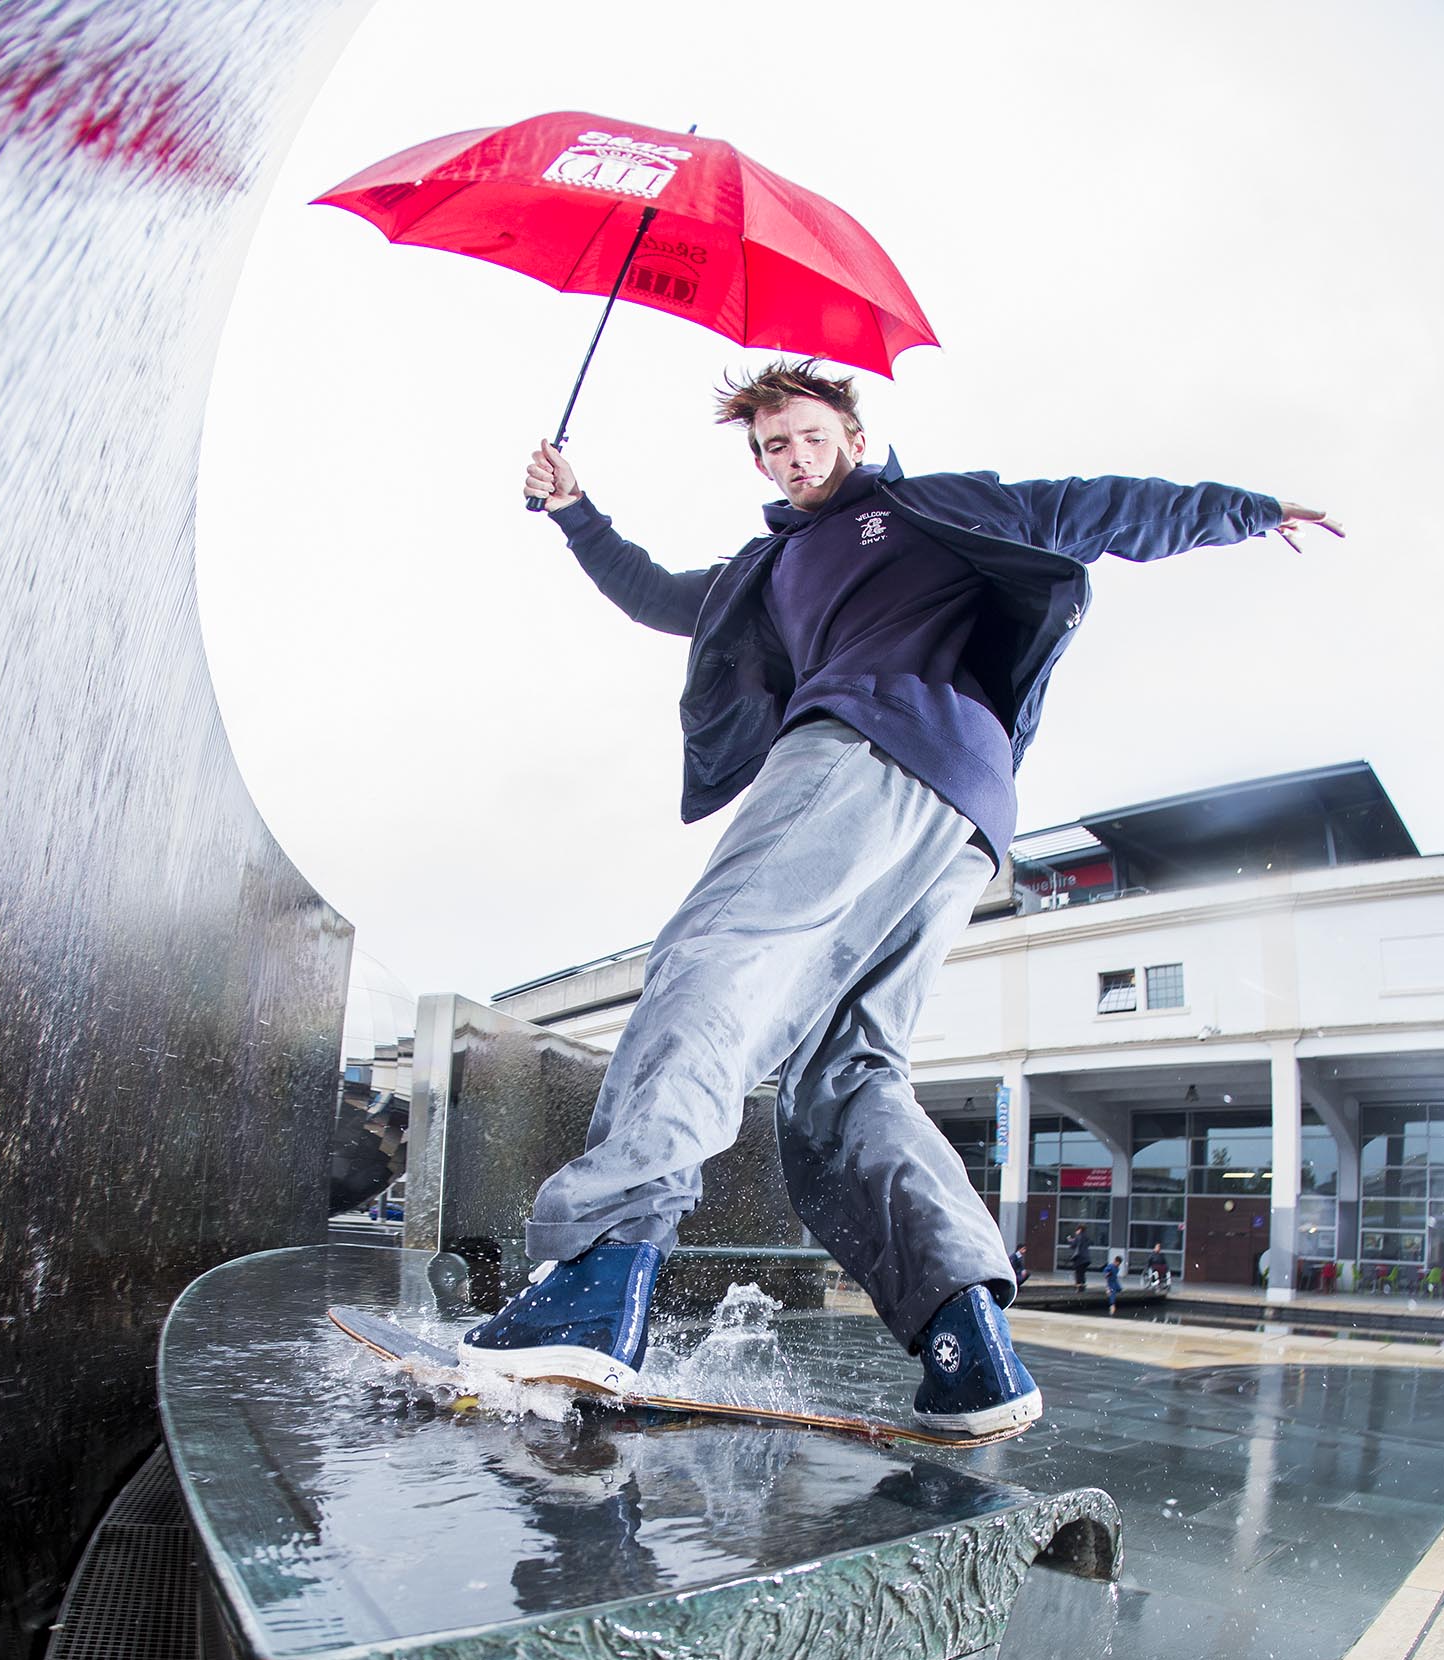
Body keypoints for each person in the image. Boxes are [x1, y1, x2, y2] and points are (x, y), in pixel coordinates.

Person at [461, 360, 1340, 1439]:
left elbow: (1098, 508)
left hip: (867, 757)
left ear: (852, 433)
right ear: (761, 462)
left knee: (719, 955)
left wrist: (1246, 513)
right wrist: (573, 511)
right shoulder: (764, 568)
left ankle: (600, 1276)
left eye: (810, 435)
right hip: (966, 820)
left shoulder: (933, 506)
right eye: (774, 445)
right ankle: (967, 1339)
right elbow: (655, 593)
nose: (795, 456)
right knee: (846, 1075)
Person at [1069, 1226, 1092, 1295]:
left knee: (1078, 1273)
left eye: (1076, 1230)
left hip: (1079, 1258)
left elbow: (1072, 1246)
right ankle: (1082, 1288)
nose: (1076, 1231)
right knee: (1082, 1273)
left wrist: (1071, 1241)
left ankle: (1079, 1289)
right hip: (1086, 1259)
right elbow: (1090, 1243)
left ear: (1079, 1230)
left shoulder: (1078, 1236)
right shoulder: (1086, 1237)